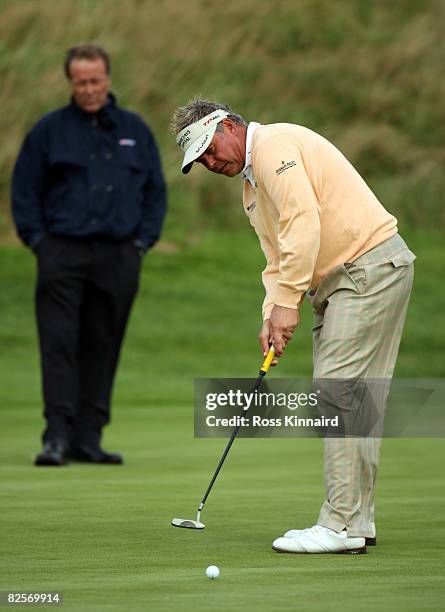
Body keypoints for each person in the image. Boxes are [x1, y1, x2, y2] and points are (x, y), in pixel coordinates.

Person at [170, 99, 415, 554]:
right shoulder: (252, 185)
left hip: (364, 270)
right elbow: (277, 257)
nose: (208, 162)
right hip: (366, 272)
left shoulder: (273, 147)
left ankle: (340, 525)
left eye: (208, 148)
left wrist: (289, 305)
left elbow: (304, 224)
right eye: (199, 160)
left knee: (340, 390)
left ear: (228, 125)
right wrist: (272, 311)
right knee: (357, 398)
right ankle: (356, 520)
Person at [12, 44, 166, 466]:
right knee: (59, 343)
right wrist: (39, 242)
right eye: (80, 82)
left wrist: (142, 243)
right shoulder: (48, 131)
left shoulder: (135, 130)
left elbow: (155, 192)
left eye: (95, 80)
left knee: (103, 342)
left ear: (108, 79)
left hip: (119, 255)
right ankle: (56, 437)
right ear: (70, 83)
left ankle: (89, 437)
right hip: (61, 252)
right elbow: (24, 191)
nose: (89, 89)